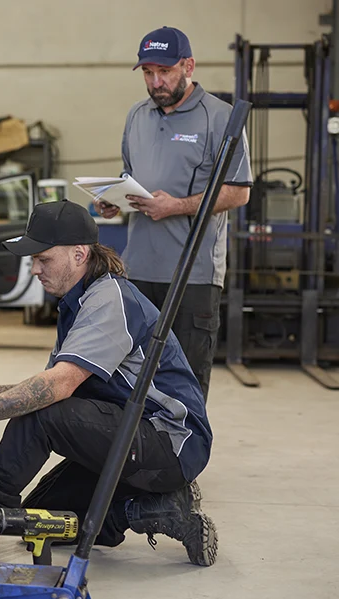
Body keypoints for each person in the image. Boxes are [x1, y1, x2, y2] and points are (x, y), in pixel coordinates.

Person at [0, 200, 217, 567]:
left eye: (43, 258)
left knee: (44, 413)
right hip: (130, 432)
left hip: (170, 442)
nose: (34, 269)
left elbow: (56, 389)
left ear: (79, 254)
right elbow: (53, 383)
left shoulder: (108, 301)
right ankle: (150, 510)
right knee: (39, 517)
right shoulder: (77, 303)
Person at [97, 26, 253, 402]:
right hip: (137, 273)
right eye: (148, 73)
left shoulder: (220, 118)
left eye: (164, 71)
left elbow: (239, 192)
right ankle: (139, 459)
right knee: (134, 383)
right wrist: (115, 200)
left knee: (184, 385)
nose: (156, 81)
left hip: (192, 277)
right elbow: (130, 176)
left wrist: (177, 206)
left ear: (189, 66)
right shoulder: (137, 116)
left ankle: (181, 460)